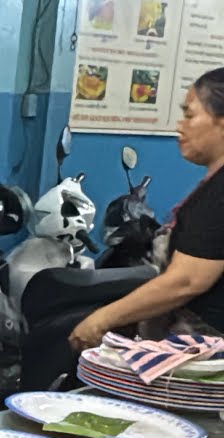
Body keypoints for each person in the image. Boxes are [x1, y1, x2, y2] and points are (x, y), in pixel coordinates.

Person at [70, 67, 224, 349]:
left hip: (208, 359)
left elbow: (187, 281)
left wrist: (101, 319)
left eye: (190, 115)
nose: (180, 126)